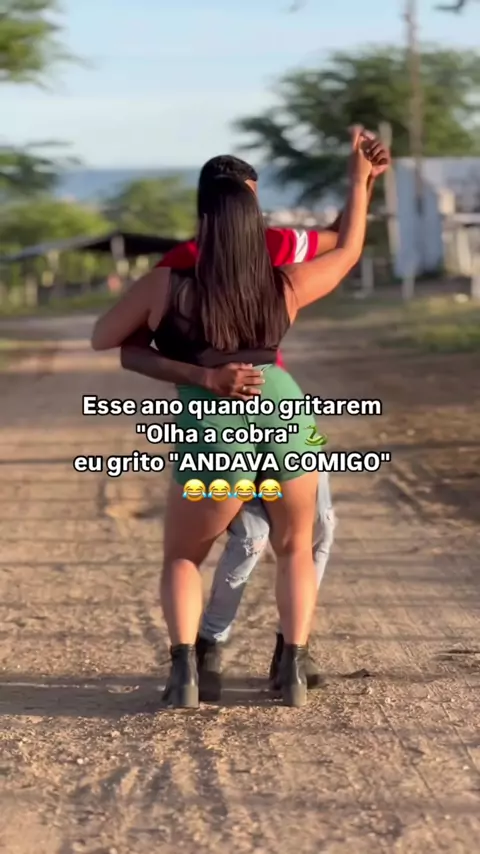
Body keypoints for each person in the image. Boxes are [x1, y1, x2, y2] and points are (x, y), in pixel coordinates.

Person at [91, 126, 384, 708]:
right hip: (284, 408)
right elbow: (348, 250)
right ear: (255, 218)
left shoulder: (167, 282)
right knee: (295, 547)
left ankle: (186, 674)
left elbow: (105, 338)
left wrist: (194, 369)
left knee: (183, 556)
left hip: (214, 426)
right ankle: (293, 670)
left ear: (203, 216)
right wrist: (360, 180)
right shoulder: (284, 282)